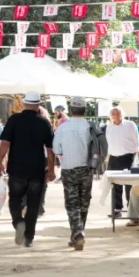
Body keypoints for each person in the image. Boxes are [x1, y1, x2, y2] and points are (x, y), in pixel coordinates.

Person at [0, 91, 55, 248]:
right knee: (33, 204)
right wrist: (51, 170)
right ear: (38, 105)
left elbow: (5, 143)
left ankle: (18, 222)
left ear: (24, 103)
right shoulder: (44, 122)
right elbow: (50, 150)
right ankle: (29, 238)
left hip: (16, 168)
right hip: (36, 170)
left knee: (15, 199)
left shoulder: (14, 119)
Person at [52, 96, 96, 251]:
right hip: (86, 169)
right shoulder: (90, 126)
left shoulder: (62, 127)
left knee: (72, 204)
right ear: (85, 110)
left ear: (71, 110)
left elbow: (57, 149)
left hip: (69, 168)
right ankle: (78, 233)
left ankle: (77, 234)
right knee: (84, 203)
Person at [105, 107, 139, 217]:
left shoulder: (130, 124)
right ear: (111, 116)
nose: (116, 115)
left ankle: (131, 210)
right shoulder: (108, 127)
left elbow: (136, 140)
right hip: (113, 157)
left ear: (122, 114)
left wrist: (136, 153)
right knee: (115, 184)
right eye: (113, 113)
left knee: (129, 184)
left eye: (118, 113)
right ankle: (117, 209)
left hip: (127, 157)